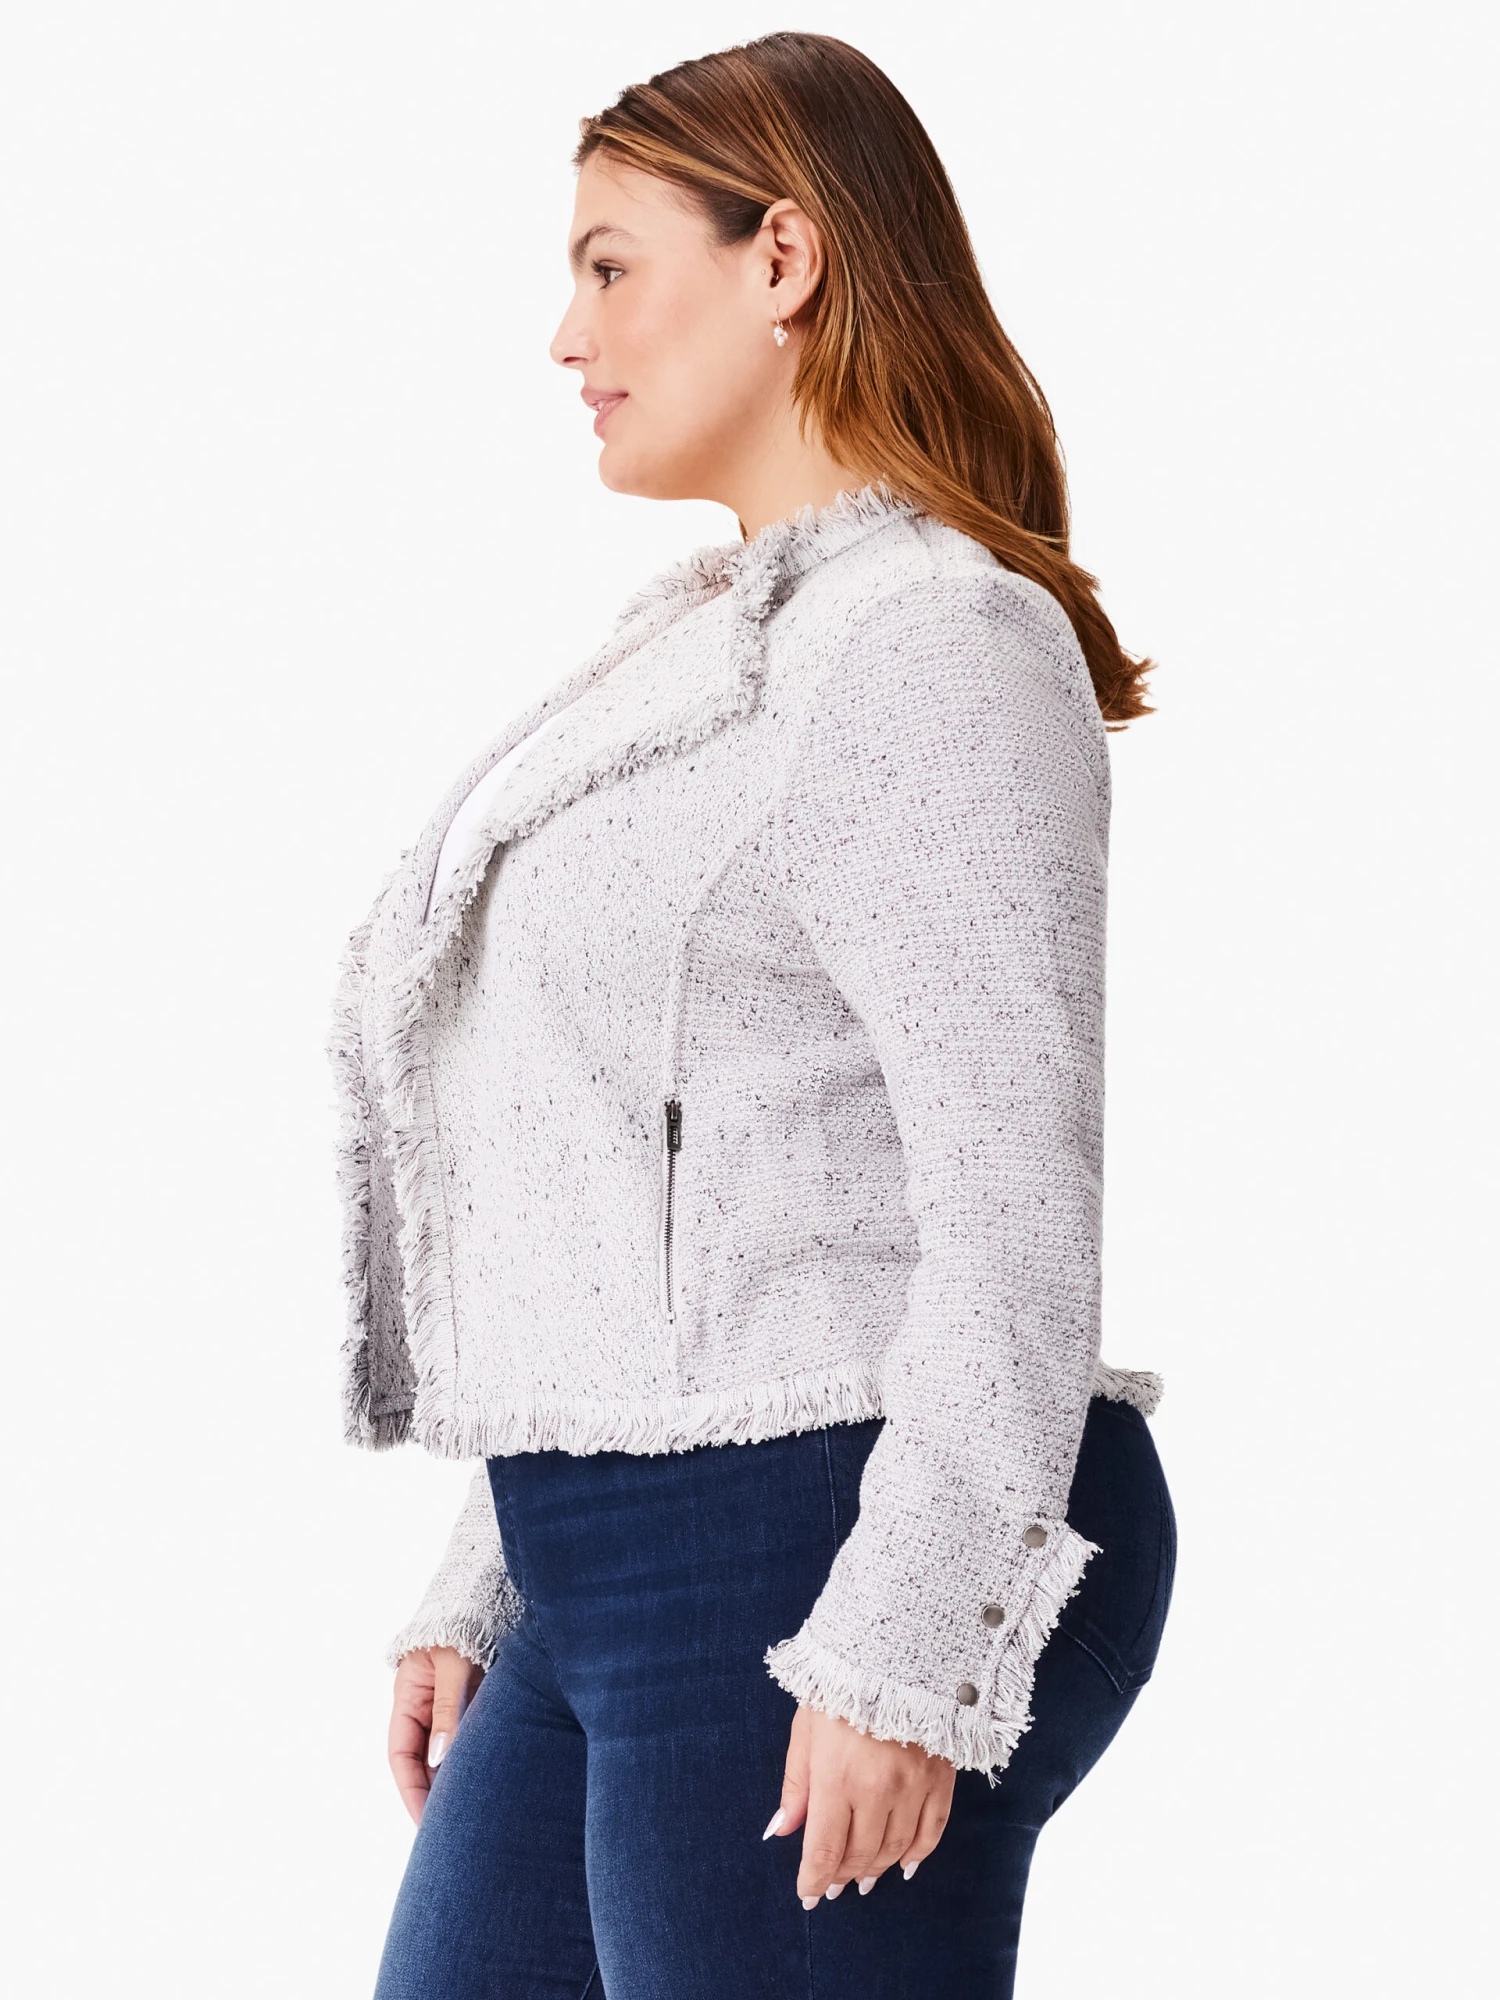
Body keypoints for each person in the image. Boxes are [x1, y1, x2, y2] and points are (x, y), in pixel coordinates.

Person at [331, 31, 1176, 2000]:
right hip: (617, 1550)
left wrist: (910, 1635)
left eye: (610, 265)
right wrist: (494, 1564)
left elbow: (1012, 1199)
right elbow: (654, 1164)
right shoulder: (710, 651)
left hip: (827, 1527)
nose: (568, 335)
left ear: (782, 257)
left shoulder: (933, 641)